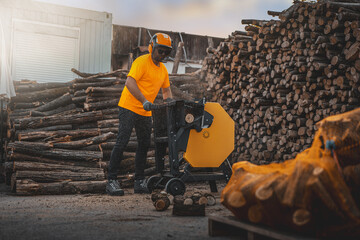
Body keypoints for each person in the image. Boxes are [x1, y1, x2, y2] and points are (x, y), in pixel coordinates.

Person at [106, 33, 173, 196]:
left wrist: (170, 104)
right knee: (122, 141)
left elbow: (166, 90)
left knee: (144, 144)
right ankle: (111, 181)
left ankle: (139, 181)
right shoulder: (141, 62)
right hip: (129, 107)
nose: (162, 55)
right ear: (152, 48)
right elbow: (129, 82)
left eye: (166, 52)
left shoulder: (163, 70)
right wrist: (143, 100)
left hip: (145, 111)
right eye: (160, 51)